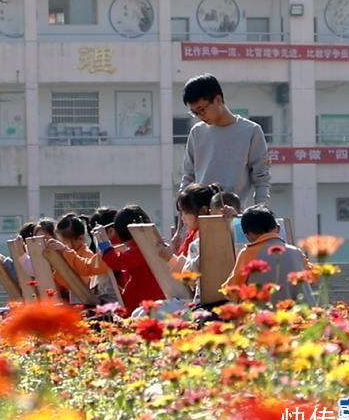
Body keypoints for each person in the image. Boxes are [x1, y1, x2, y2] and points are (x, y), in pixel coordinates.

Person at [179, 74, 271, 206]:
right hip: (201, 216)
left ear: (218, 99)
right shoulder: (197, 132)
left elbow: (261, 179)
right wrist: (183, 209)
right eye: (195, 113)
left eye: (202, 109)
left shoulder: (251, 131)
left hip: (235, 216)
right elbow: (188, 177)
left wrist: (259, 212)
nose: (200, 116)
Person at [221, 205, 316, 305]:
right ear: (278, 228)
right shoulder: (296, 252)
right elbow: (313, 278)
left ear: (248, 235)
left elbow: (231, 291)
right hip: (302, 316)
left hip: (264, 318)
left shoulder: (247, 254)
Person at [99, 205, 164, 312]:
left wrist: (106, 248)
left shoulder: (142, 249)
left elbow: (117, 261)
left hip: (143, 300)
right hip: (150, 297)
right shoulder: (151, 244)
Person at [45, 213, 111, 301]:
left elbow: (85, 281)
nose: (62, 245)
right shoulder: (67, 253)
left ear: (80, 238)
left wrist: (64, 252)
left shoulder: (87, 255)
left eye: (65, 242)